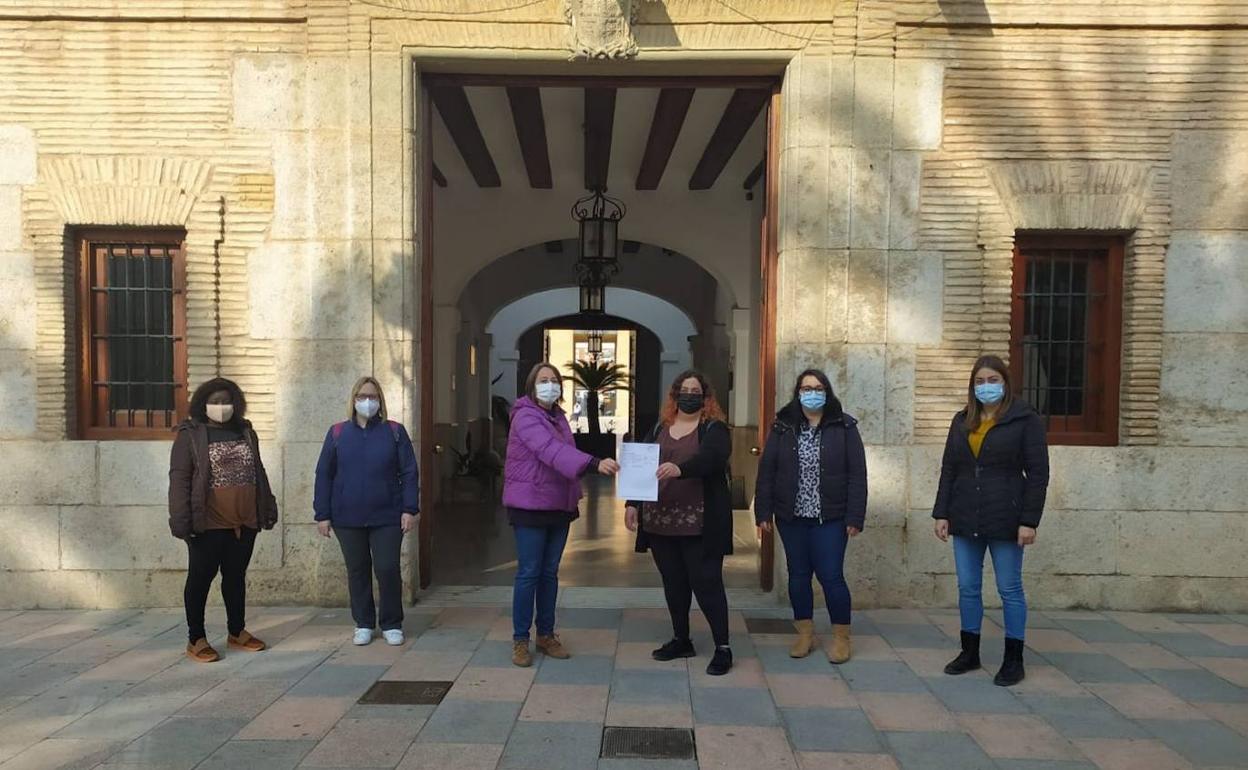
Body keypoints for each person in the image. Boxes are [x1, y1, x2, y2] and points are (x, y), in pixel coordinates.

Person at [933, 354, 1049, 687]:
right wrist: (942, 512)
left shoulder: (1025, 420)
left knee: (1009, 588)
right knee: (968, 586)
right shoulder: (962, 420)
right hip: (965, 514)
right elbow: (950, 469)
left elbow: (1038, 473)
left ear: (1005, 383)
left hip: (1006, 517)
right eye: (980, 381)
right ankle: (969, 652)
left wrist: (1029, 520)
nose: (986, 387)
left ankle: (1014, 659)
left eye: (993, 380)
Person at [504, 363, 619, 667]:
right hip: (530, 506)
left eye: (554, 380)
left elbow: (562, 454)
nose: (550, 385)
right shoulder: (526, 416)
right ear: (532, 386)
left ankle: (546, 634)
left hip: (558, 505)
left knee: (549, 573)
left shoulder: (558, 417)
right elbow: (550, 450)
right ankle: (520, 640)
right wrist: (593, 463)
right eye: (543, 380)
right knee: (529, 572)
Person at [626, 370, 735, 676]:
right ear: (675, 395)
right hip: (660, 522)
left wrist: (679, 469)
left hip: (699, 523)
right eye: (684, 390)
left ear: (705, 397)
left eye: (695, 391)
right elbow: (640, 464)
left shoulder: (714, 428)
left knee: (707, 584)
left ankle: (723, 647)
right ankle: (681, 639)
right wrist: (632, 503)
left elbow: (712, 459)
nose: (689, 395)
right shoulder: (660, 427)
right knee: (674, 584)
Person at [754, 368, 867, 664]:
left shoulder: (844, 426)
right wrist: (763, 510)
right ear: (798, 393)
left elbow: (857, 475)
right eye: (806, 388)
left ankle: (841, 637)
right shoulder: (783, 426)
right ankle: (804, 633)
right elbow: (767, 471)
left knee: (831, 576)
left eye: (818, 388)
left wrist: (855, 516)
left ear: (827, 392)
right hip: (792, 517)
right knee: (798, 576)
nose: (812, 393)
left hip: (830, 518)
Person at [168, 377, 278, 663]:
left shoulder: (245, 431)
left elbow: (258, 471)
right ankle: (196, 638)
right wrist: (181, 521)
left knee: (235, 577)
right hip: (207, 525)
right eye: (214, 402)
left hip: (244, 523)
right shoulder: (190, 435)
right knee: (200, 579)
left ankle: (236, 631)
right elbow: (179, 480)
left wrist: (267, 507)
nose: (221, 406)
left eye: (226, 401)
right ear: (203, 405)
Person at [314, 376, 419, 647]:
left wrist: (409, 509)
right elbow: (324, 474)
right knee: (357, 570)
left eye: (372, 396)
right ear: (353, 400)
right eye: (362, 396)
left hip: (387, 516)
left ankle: (392, 623)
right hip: (347, 517)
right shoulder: (337, 433)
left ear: (380, 400)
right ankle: (363, 623)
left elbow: (409, 472)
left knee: (387, 568)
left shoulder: (395, 432)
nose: (367, 401)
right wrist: (322, 514)